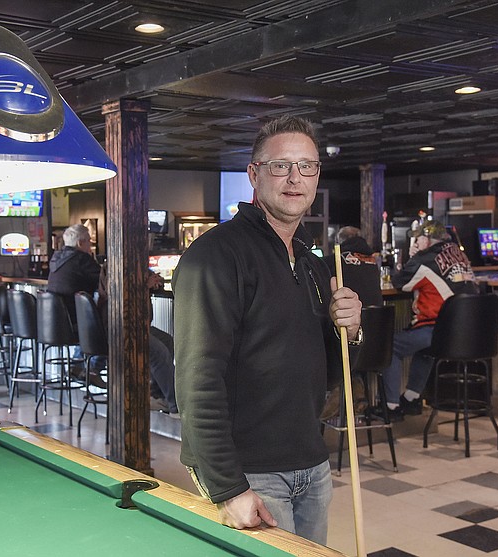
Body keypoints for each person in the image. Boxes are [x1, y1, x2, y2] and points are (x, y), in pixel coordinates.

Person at [172, 115, 362, 545]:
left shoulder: (313, 263)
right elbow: (197, 380)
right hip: (250, 474)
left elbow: (329, 375)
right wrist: (228, 487)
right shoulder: (215, 256)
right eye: (281, 166)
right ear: (254, 175)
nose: (295, 178)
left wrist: (346, 330)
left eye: (307, 166)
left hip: (312, 465)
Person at [381, 219, 478, 419]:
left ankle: (390, 408)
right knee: (424, 350)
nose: (416, 242)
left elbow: (400, 282)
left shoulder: (426, 259)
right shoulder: (459, 254)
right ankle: (411, 399)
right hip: (467, 333)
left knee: (389, 345)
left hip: (437, 332)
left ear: (427, 239)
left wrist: (412, 258)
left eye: (419, 238)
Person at [97, 265, 178, 416]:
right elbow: (116, 295)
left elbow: (153, 277)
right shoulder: (115, 265)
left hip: (137, 325)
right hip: (119, 327)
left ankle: (157, 395)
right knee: (159, 352)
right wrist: (144, 286)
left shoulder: (135, 261)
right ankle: (175, 405)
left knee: (167, 341)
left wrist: (155, 280)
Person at [320, 226, 383, 419]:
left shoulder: (335, 260)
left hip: (351, 344)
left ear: (340, 242)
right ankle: (356, 391)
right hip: (378, 344)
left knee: (328, 336)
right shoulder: (373, 260)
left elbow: (317, 272)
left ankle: (340, 391)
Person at [46, 223, 101, 325]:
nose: (91, 244)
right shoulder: (81, 259)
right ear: (80, 243)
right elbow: (104, 280)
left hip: (53, 321)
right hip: (76, 320)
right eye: (89, 241)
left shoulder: (56, 258)